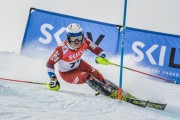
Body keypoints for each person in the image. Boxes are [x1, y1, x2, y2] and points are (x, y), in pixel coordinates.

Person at [46, 23, 118, 98]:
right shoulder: (61, 49)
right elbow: (49, 64)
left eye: (79, 38)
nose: (77, 41)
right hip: (66, 73)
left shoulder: (85, 42)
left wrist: (102, 57)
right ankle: (109, 94)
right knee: (86, 76)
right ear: (68, 38)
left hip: (79, 64)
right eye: (73, 39)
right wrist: (53, 78)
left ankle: (116, 89)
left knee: (97, 74)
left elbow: (99, 50)